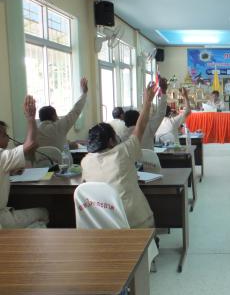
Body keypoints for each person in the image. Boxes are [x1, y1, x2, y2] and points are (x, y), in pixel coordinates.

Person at [81, 83, 159, 229]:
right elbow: (140, 127)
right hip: (134, 222)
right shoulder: (123, 152)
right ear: (111, 140)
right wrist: (147, 102)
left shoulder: (85, 161)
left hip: (103, 221)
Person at [0, 96, 49, 228]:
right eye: (5, 135)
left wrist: (9, 172)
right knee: (43, 213)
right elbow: (31, 143)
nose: (9, 139)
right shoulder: (3, 157)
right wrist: (30, 118)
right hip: (2, 220)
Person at [37, 77, 88, 151]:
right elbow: (75, 111)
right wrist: (84, 93)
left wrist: (71, 144)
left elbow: (57, 144)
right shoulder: (58, 126)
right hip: (60, 162)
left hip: (41, 162)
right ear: (53, 116)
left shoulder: (35, 132)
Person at [123, 78, 168, 150]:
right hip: (150, 161)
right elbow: (161, 113)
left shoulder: (123, 136)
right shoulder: (148, 129)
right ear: (139, 119)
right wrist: (164, 91)